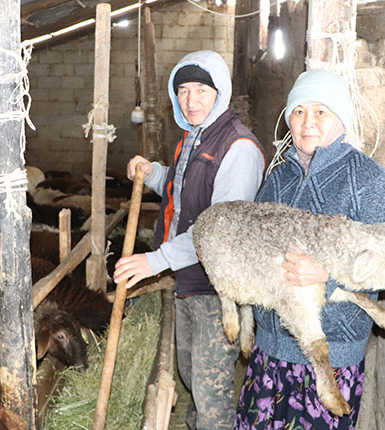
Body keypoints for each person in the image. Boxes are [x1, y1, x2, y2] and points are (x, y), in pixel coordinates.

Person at [234, 69, 385, 429]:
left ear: (341, 116)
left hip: (332, 356)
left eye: (321, 111)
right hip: (270, 350)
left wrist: (325, 278)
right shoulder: (278, 178)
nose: (308, 122)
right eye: (298, 111)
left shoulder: (369, 181)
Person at [113, 50, 266, 429]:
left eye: (201, 89)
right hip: (189, 276)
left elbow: (220, 228)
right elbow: (182, 188)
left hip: (218, 290)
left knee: (210, 388)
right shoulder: (193, 139)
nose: (191, 100)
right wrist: (152, 173)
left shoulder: (238, 148)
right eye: (182, 90)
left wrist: (156, 260)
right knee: (190, 373)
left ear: (220, 92)